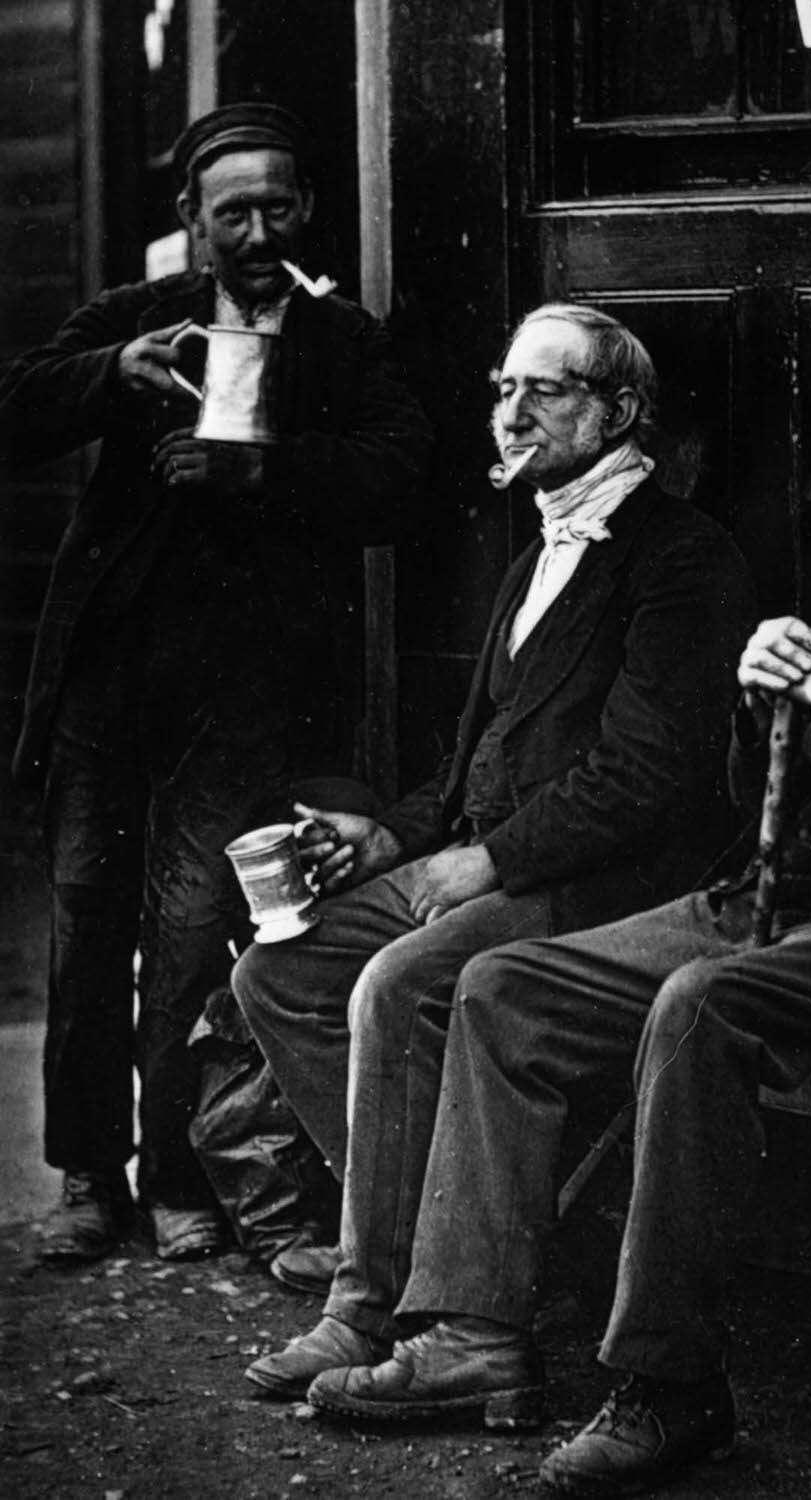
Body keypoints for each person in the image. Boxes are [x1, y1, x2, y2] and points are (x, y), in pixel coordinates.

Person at [292, 346, 811, 1498]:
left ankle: (670, 1389)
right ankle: (475, 1334)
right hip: (765, 902)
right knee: (503, 986)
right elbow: (767, 793)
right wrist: (758, 703)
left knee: (698, 1006)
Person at [233, 302, 756, 1394]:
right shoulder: (532, 557)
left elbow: (649, 778)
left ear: (620, 411)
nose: (510, 412)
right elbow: (474, 757)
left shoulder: (684, 558)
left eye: (544, 390)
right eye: (502, 388)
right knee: (281, 969)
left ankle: (377, 1304)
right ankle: (446, 1248)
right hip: (497, 862)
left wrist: (489, 861)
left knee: (399, 984)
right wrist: (393, 836)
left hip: (603, 886)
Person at [0, 103, 432, 1264]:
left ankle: (182, 1174)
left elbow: (402, 478)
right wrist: (108, 376)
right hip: (111, 673)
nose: (254, 228)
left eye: (275, 206)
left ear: (307, 209)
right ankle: (91, 1178)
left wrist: (260, 471)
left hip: (243, 688)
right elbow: (15, 407)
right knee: (88, 915)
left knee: (195, 929)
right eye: (229, 209)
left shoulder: (346, 341)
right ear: (191, 221)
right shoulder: (141, 321)